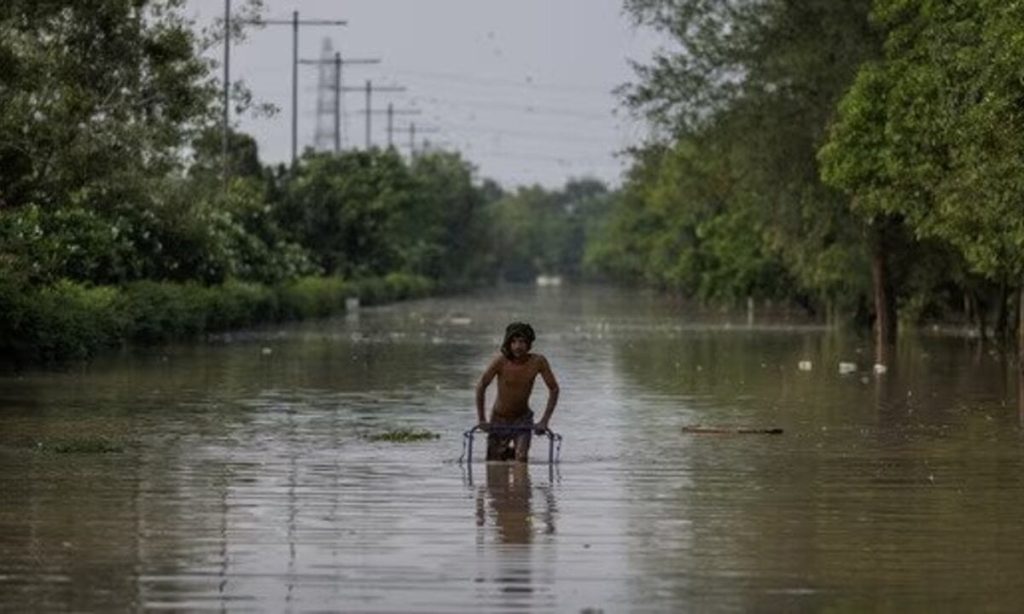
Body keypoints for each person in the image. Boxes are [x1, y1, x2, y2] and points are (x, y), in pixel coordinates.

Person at [475, 322, 560, 462]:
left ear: (529, 344)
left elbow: (554, 389)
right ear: (508, 344)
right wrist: (482, 419)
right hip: (499, 419)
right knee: (494, 462)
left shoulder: (538, 361)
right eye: (513, 342)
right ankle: (507, 453)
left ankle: (516, 457)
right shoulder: (500, 362)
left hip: (523, 419)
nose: (517, 346)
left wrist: (544, 421)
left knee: (521, 459)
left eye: (522, 342)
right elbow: (481, 386)